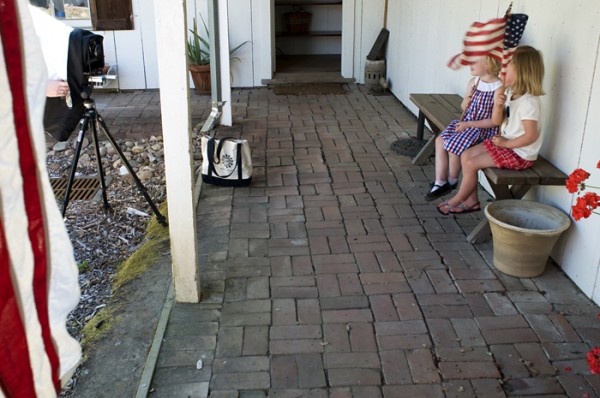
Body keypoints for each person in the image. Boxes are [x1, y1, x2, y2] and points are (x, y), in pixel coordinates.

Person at [437, 45, 545, 215]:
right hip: (506, 144)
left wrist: (506, 143)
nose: (501, 73)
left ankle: (458, 199)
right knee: (466, 154)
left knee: (472, 164)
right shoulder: (510, 93)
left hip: (520, 153)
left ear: (522, 73)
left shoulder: (529, 103)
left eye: (506, 69)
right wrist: (499, 105)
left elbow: (531, 136)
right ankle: (471, 201)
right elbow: (497, 120)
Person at [425, 55, 503, 201]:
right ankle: (440, 181)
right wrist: (465, 103)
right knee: (440, 140)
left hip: (481, 129)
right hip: (466, 124)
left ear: (489, 63)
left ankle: (452, 180)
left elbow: (494, 121)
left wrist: (469, 124)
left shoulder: (498, 88)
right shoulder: (474, 82)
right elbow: (463, 108)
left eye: (474, 61)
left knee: (454, 145)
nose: (469, 63)